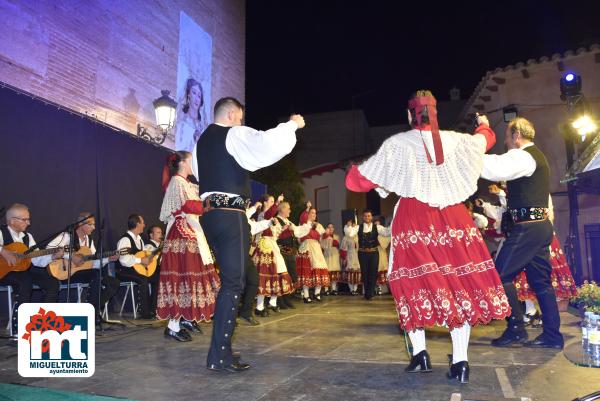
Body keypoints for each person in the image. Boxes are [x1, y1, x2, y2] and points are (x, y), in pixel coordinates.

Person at [346, 90, 509, 383]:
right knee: (460, 284)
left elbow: (357, 182)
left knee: (411, 284)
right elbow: (486, 139)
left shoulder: (398, 144)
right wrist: (483, 124)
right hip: (453, 218)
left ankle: (420, 355)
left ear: (410, 115)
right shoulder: (457, 140)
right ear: (435, 114)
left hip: (414, 218)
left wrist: (357, 169)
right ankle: (460, 362)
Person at [193, 97, 304, 373]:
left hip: (210, 217)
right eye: (240, 118)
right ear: (232, 114)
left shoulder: (200, 144)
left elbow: (200, 175)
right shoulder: (234, 133)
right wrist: (291, 125)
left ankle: (221, 350)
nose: (241, 123)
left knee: (232, 281)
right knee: (234, 283)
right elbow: (265, 144)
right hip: (231, 216)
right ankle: (220, 355)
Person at [481, 118, 566, 349]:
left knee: (499, 275)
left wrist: (470, 150)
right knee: (541, 284)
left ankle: (516, 329)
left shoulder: (523, 155)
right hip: (539, 227)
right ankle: (552, 336)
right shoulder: (536, 157)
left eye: (508, 137)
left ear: (517, 135)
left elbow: (492, 167)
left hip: (528, 228)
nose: (507, 142)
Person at [157, 151, 221, 341]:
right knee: (183, 277)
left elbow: (195, 201)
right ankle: (172, 326)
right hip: (182, 234)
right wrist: (209, 203)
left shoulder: (185, 183)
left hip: (189, 232)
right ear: (183, 163)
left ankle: (184, 318)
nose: (193, 165)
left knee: (188, 277)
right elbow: (190, 206)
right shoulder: (177, 182)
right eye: (191, 161)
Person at [46, 212, 120, 324]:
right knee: (95, 275)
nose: (94, 228)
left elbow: (93, 263)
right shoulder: (66, 236)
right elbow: (49, 249)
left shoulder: (89, 241)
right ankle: (92, 315)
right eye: (91, 224)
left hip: (82, 273)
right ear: (81, 224)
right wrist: (70, 256)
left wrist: (107, 259)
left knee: (113, 282)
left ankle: (91, 310)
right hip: (65, 272)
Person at [0, 204, 62, 337]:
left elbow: (37, 260)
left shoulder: (28, 237)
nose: (29, 223)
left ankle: (43, 323)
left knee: (52, 283)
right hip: (4, 272)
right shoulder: (1, 231)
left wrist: (52, 255)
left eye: (28, 219)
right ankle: (19, 329)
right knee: (25, 283)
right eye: (25, 219)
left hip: (23, 271)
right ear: (12, 221)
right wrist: (3, 250)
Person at [253, 194, 294, 315]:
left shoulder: (272, 217)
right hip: (264, 247)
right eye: (270, 201)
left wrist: (284, 229)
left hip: (272, 245)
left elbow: (276, 234)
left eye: (273, 202)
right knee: (265, 275)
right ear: (265, 203)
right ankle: (259, 307)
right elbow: (268, 216)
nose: (273, 204)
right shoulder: (263, 215)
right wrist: (277, 203)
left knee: (279, 272)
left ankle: (273, 302)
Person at [344, 210, 391, 300]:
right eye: (365, 216)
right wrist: (348, 226)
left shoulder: (377, 227)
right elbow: (350, 233)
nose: (367, 217)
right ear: (363, 217)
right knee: (365, 273)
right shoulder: (358, 227)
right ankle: (368, 293)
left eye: (369, 216)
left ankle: (370, 292)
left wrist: (393, 223)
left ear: (371, 217)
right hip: (362, 253)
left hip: (374, 253)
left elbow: (387, 232)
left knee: (373, 273)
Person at [296, 202, 330, 303]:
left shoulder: (318, 225)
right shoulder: (304, 223)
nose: (314, 215)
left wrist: (326, 234)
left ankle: (317, 293)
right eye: (312, 213)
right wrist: (307, 208)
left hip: (316, 248)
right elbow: (302, 219)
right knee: (307, 271)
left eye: (315, 213)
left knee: (320, 268)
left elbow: (323, 236)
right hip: (307, 247)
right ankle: (306, 295)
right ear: (308, 214)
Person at [275, 200, 301, 308]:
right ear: (282, 209)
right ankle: (281, 301)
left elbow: (299, 231)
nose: (290, 210)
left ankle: (287, 298)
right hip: (281, 250)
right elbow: (274, 234)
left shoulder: (288, 221)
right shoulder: (276, 220)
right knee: (283, 275)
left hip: (290, 250)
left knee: (292, 275)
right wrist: (284, 229)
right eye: (288, 208)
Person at [176, 78, 209, 151]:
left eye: (199, 96)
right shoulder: (182, 123)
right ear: (188, 95)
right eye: (194, 93)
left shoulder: (203, 126)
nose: (197, 99)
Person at [341, 220, 361, 295]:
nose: (351, 226)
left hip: (356, 255)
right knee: (350, 273)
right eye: (349, 224)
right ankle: (351, 289)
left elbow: (358, 246)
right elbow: (343, 248)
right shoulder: (346, 237)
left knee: (356, 273)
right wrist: (344, 257)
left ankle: (355, 289)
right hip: (349, 254)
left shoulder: (356, 236)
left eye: (352, 224)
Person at [321, 223, 341, 295]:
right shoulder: (323, 236)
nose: (330, 229)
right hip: (327, 254)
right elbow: (322, 245)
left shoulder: (337, 236)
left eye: (332, 227)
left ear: (333, 228)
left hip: (335, 255)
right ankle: (326, 289)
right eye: (329, 227)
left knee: (334, 273)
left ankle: (334, 289)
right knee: (327, 273)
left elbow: (338, 244)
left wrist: (333, 241)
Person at [375, 218, 391, 295]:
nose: (377, 226)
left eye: (378, 224)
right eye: (375, 225)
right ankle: (376, 288)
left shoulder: (384, 235)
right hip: (373, 253)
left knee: (383, 270)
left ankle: (383, 289)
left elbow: (385, 243)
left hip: (382, 253)